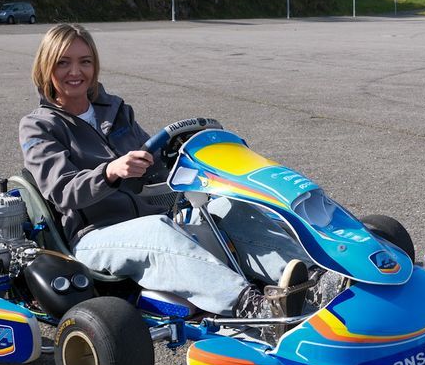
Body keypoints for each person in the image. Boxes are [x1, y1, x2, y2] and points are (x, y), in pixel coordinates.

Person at [18, 23, 309, 318]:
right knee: (156, 230)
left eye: (85, 62)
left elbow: (153, 161)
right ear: (47, 67)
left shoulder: (115, 110)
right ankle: (254, 307)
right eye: (63, 62)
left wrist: (183, 153)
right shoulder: (39, 126)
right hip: (92, 236)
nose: (75, 72)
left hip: (150, 218)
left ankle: (312, 283)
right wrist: (110, 171)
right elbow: (62, 191)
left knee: (229, 206)